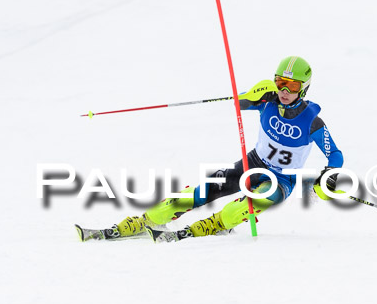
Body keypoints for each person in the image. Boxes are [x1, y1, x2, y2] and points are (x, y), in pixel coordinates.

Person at [111, 56, 344, 239]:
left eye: (291, 85)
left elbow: (335, 153)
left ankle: (216, 224)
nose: (284, 91)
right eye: (280, 82)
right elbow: (239, 103)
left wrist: (329, 175)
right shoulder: (268, 102)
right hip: (252, 163)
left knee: (243, 208)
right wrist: (254, 95)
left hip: (282, 181)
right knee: (204, 190)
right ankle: (148, 219)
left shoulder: (311, 120)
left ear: (303, 88)